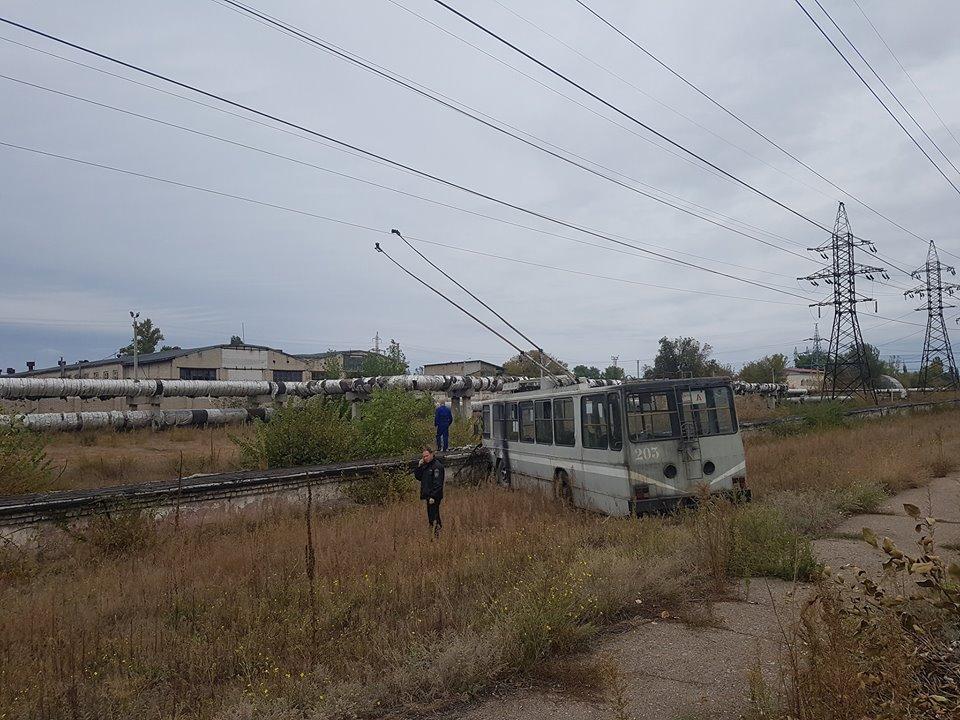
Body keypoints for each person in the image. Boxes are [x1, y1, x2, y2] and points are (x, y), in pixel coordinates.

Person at [414, 446, 445, 537]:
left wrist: (433, 496)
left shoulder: (437, 467)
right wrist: (419, 466)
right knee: (431, 515)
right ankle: (435, 533)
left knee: (433, 516)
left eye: (427, 456)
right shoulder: (425, 465)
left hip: (434, 497)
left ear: (432, 454)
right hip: (428, 496)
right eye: (423, 456)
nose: (425, 458)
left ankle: (436, 535)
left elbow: (438, 484)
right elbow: (418, 477)